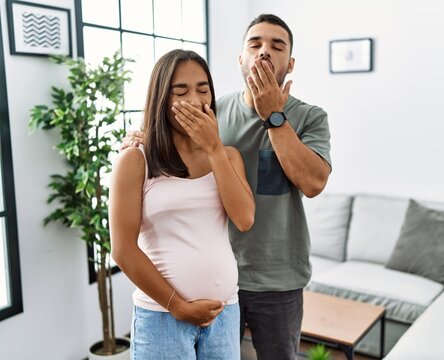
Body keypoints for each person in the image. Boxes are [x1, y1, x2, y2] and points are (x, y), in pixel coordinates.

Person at [124, 14, 331, 359]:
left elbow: (312, 183)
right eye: (255, 44)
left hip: (277, 278)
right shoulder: (208, 113)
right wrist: (140, 139)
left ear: (290, 63)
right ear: (240, 59)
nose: (264, 52)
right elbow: (166, 146)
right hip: (218, 281)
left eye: (276, 46)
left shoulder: (311, 117)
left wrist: (273, 117)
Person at [110, 49, 255, 360]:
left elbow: (244, 219)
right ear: (161, 97)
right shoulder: (136, 159)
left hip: (225, 313)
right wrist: (179, 306)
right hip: (162, 317)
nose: (194, 99)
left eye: (203, 89)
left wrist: (214, 147)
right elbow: (123, 250)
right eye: (181, 90)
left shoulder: (228, 156)